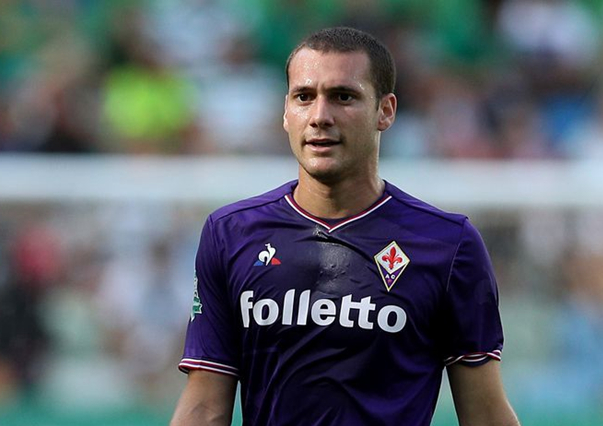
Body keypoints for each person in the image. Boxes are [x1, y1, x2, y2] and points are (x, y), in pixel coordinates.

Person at [169, 27, 520, 426]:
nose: (320, 116)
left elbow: (485, 414)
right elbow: (204, 407)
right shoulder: (230, 234)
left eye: (343, 97)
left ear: (385, 111)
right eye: (304, 97)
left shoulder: (447, 244)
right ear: (286, 112)